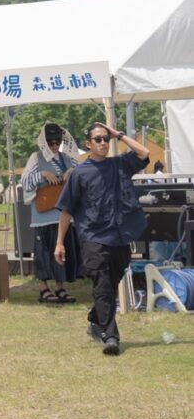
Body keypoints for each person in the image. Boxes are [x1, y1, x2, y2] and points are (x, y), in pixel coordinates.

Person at [55, 122, 149, 355]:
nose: (103, 143)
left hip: (119, 236)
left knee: (111, 282)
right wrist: (59, 243)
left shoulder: (120, 164)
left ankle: (96, 317)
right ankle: (110, 336)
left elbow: (144, 153)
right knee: (102, 284)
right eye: (98, 139)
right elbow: (66, 209)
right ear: (88, 144)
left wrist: (119, 135)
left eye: (106, 139)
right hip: (92, 236)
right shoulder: (79, 173)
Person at [19, 122, 80, 302]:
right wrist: (43, 174)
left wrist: (72, 172)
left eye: (57, 141)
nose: (54, 144)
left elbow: (80, 178)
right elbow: (25, 183)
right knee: (44, 252)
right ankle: (43, 288)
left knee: (63, 251)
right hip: (43, 215)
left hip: (63, 214)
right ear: (44, 141)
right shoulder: (36, 158)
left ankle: (60, 287)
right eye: (51, 141)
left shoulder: (67, 158)